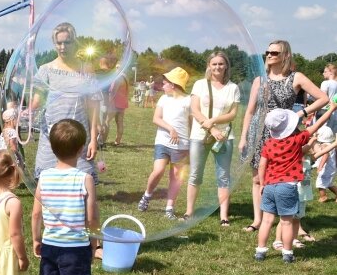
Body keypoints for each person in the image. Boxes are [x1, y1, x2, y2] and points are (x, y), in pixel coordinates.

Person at [239, 40, 328, 232]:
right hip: (260, 130)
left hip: (285, 133)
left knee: (287, 178)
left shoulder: (296, 78)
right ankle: (258, 220)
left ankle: (289, 222)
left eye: (274, 53)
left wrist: (301, 113)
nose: (269, 55)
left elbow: (324, 98)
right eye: (268, 52)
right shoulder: (259, 80)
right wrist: (243, 137)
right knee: (257, 178)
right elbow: (249, 111)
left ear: (285, 56)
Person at [30, 118, 98, 275]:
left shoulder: (44, 178)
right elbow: (91, 218)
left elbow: (36, 213)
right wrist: (94, 241)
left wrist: (37, 239)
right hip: (76, 249)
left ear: (51, 147)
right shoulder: (85, 179)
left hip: (51, 246)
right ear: (81, 149)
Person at [255, 104, 334, 263]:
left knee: (267, 221)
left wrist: (262, 183)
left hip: (269, 186)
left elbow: (262, 165)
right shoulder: (296, 140)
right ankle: (287, 253)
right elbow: (317, 125)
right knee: (286, 221)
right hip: (287, 186)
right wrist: (331, 109)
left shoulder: (268, 144)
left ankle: (260, 251)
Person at [33, 22, 101, 181]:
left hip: (78, 137)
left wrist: (93, 139)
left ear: (74, 42)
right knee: (48, 185)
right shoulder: (45, 70)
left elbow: (94, 106)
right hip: (50, 138)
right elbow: (37, 101)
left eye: (67, 42)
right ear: (54, 43)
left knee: (82, 184)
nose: (63, 47)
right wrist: (20, 112)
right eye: (59, 43)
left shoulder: (86, 69)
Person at [182, 52, 240, 225]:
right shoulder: (200, 85)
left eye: (221, 64)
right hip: (200, 135)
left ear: (226, 66)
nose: (217, 67)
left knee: (223, 177)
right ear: (209, 66)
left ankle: (224, 216)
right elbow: (194, 110)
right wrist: (212, 128)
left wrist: (214, 122)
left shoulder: (233, 87)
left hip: (224, 137)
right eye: (214, 64)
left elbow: (233, 114)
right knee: (195, 174)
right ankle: (189, 211)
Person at [137, 67, 191, 219]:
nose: (162, 85)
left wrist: (192, 144)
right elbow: (156, 118)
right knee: (158, 170)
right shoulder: (163, 99)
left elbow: (192, 123)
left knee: (176, 176)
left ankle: (169, 208)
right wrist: (170, 129)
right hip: (162, 142)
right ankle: (147, 196)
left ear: (173, 84)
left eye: (165, 83)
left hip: (182, 145)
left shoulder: (188, 101)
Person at [315, 125, 337, 202]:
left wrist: (320, 167)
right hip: (332, 167)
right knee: (328, 183)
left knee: (320, 182)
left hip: (327, 167)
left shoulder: (324, 145)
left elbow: (325, 155)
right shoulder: (332, 144)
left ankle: (323, 197)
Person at [320, 64, 337, 131]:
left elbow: (322, 99)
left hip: (325, 111)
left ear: (331, 73)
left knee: (321, 133)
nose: (323, 73)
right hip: (335, 112)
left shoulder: (325, 83)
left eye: (325, 71)